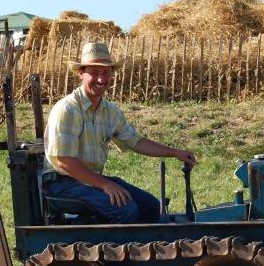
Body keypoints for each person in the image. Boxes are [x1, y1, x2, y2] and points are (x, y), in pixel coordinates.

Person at [42, 42, 197, 224]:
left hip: (88, 180)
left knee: (151, 206)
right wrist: (106, 184)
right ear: (81, 74)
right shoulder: (68, 109)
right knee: (125, 209)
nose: (101, 80)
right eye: (94, 73)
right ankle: (115, 251)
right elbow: (65, 161)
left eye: (106, 73)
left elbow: (136, 142)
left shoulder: (109, 110)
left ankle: (148, 249)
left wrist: (175, 152)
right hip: (61, 184)